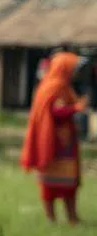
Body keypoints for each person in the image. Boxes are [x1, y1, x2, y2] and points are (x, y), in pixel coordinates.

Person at [20, 52, 86, 224]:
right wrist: (76, 108)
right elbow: (54, 112)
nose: (75, 73)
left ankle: (72, 217)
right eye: (72, 68)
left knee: (70, 182)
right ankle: (51, 218)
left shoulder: (64, 86)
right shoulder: (52, 87)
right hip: (50, 143)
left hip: (66, 144)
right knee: (49, 183)